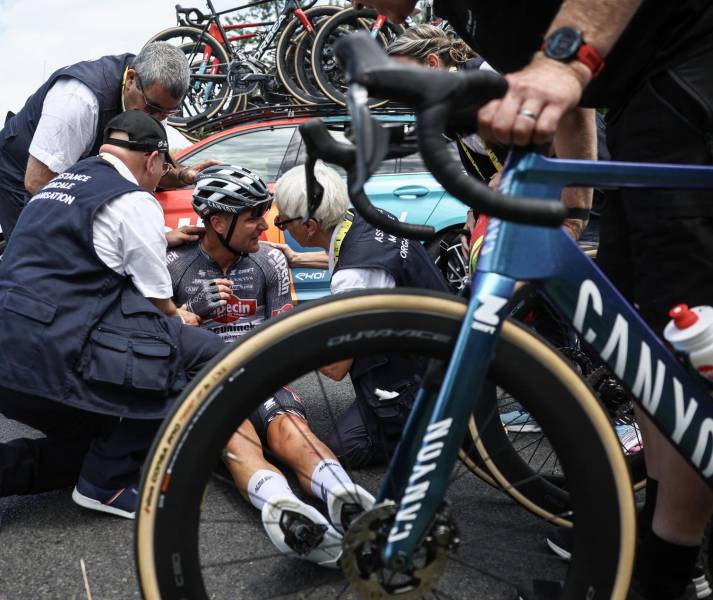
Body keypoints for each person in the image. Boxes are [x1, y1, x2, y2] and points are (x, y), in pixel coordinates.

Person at [356, 1, 713, 598]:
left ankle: (670, 573)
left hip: (687, 68)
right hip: (640, 97)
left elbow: (563, 71)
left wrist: (562, 62)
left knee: (682, 356)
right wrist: (572, 211)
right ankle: (663, 556)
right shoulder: (462, 12)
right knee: (646, 357)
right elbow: (571, 101)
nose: (356, 5)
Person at [0, 110, 223, 540]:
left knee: (100, 444)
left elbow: (81, 246)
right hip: (51, 358)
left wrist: (160, 238)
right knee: (195, 353)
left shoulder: (57, 187)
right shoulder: (134, 200)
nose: (159, 182)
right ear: (153, 160)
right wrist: (180, 316)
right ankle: (107, 483)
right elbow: (157, 297)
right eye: (162, 171)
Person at [167, 163, 373, 567]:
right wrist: (189, 310)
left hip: (261, 374)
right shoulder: (174, 263)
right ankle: (284, 510)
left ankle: (344, 497)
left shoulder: (270, 261)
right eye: (253, 217)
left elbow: (281, 337)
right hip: (205, 381)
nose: (264, 226)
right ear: (218, 222)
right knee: (237, 438)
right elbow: (152, 334)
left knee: (291, 429)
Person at [272, 162, 450, 468]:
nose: (279, 225)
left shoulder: (352, 278)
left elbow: (335, 368)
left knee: (344, 449)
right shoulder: (365, 217)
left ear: (309, 226)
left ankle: (430, 431)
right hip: (436, 339)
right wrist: (296, 258)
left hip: (421, 376)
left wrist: (281, 337)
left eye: (282, 222)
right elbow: (351, 257)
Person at [0, 41, 215, 240]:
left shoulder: (154, 100)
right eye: (153, 109)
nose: (156, 119)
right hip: (19, 176)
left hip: (74, 169)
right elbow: (39, 182)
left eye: (167, 113)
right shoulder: (78, 101)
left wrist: (182, 176)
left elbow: (148, 169)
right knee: (47, 255)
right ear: (131, 79)